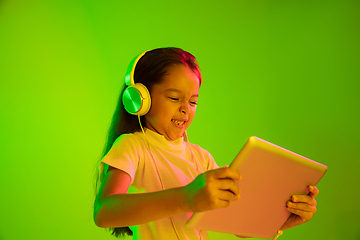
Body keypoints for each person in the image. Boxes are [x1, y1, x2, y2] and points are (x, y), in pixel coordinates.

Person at [93, 47, 319, 240]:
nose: (185, 109)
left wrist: (280, 220)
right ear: (140, 97)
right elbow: (104, 212)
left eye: (193, 101)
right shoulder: (132, 146)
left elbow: (237, 222)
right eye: (174, 98)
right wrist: (187, 198)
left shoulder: (201, 158)